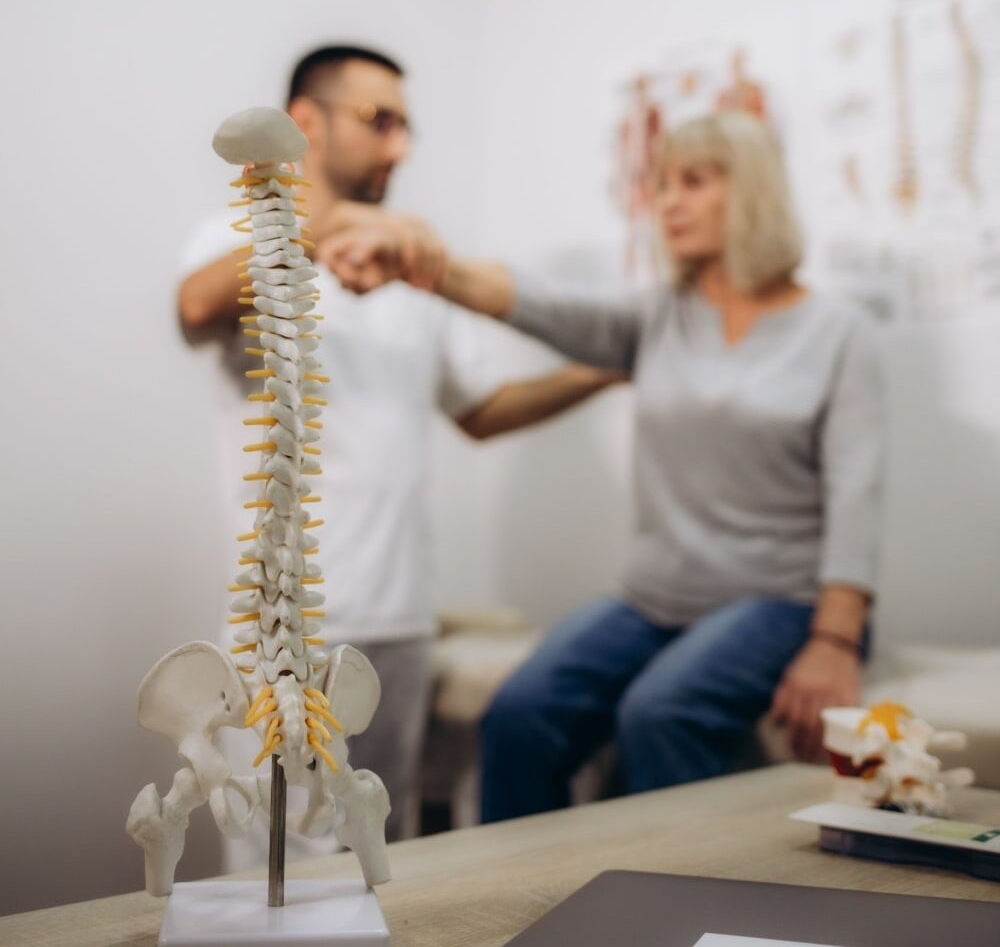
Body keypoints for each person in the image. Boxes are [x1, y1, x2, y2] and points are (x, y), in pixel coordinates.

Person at [318, 111, 885, 822]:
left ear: (754, 193)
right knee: (519, 716)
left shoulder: (839, 332)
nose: (668, 201)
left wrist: (834, 640)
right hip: (655, 598)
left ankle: (675, 919)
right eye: (661, 184)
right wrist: (417, 263)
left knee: (660, 710)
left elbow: (857, 490)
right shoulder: (658, 316)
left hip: (782, 600)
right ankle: (530, 908)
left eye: (693, 182)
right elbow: (534, 302)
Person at [177, 43, 621, 849]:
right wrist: (327, 225)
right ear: (305, 122)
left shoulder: (408, 269)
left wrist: (606, 369)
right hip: (289, 629)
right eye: (379, 121)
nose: (400, 147)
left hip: (401, 617)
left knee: (379, 846)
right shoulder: (234, 242)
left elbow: (481, 409)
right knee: (278, 858)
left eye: (407, 127)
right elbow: (194, 303)